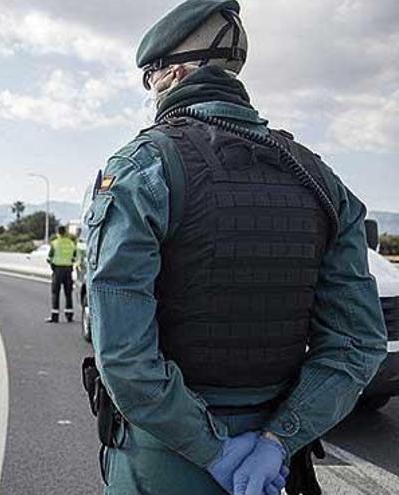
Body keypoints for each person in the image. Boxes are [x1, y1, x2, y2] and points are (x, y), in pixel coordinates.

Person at [83, 1, 387, 494]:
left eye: (149, 78)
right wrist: (275, 443)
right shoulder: (319, 179)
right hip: (273, 469)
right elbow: (358, 342)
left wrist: (214, 452)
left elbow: (122, 355)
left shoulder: (141, 169)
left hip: (166, 459)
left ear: (172, 73)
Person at [47, 226, 77, 323]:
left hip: (57, 270)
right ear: (66, 233)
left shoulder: (55, 243)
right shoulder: (71, 243)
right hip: (68, 270)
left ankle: (55, 317)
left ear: (58, 233)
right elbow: (74, 257)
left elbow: (49, 258)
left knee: (55, 293)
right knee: (68, 293)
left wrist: (53, 265)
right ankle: (69, 315)